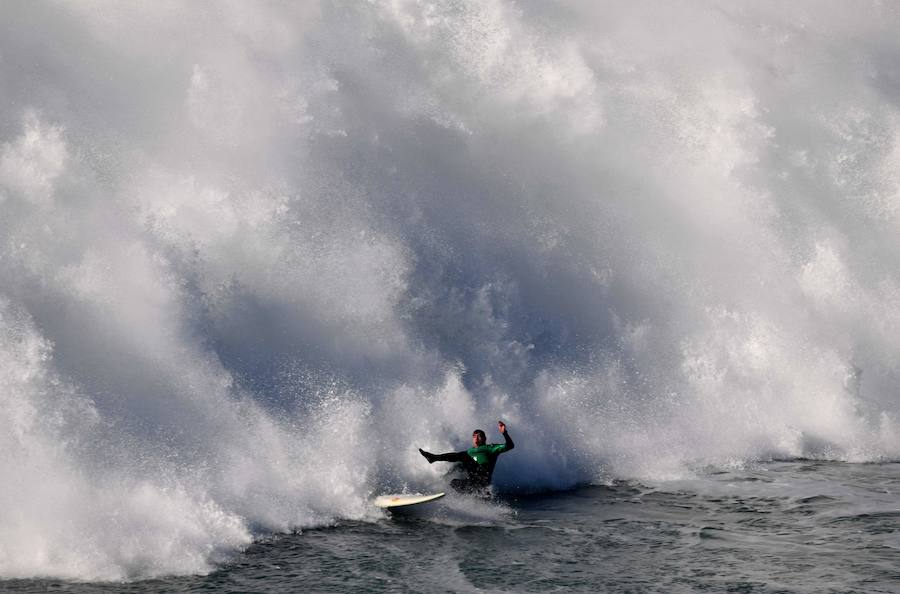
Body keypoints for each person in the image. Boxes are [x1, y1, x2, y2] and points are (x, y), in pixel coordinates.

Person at [419, 421, 514, 493]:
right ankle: (469, 497)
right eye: (474, 436)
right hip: (473, 482)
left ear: (484, 438)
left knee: (463, 456)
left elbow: (510, 446)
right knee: (454, 482)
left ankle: (433, 458)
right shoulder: (470, 451)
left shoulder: (490, 448)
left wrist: (504, 433)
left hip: (482, 480)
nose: (476, 438)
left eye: (479, 436)